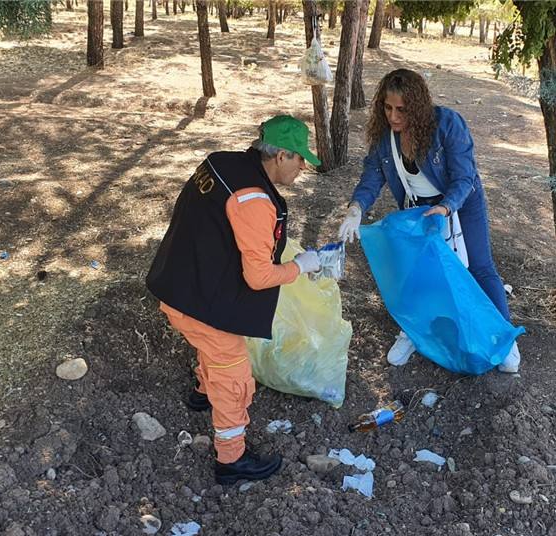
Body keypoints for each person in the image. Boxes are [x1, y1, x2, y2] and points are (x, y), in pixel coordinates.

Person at [146, 115, 322, 484]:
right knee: (234, 373)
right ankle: (231, 458)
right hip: (200, 303)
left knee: (211, 349)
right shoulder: (255, 200)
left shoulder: (220, 162)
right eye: (299, 159)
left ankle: (202, 394)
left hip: (177, 280)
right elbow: (258, 278)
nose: (302, 167)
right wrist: (300, 266)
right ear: (279, 156)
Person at [338, 68, 521, 372]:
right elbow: (372, 177)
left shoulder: (448, 124)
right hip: (419, 209)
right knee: (416, 272)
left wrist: (448, 207)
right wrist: (356, 208)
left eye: (401, 109)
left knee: (479, 266)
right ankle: (413, 331)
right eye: (387, 107)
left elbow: (465, 178)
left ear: (417, 106)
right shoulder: (386, 139)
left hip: (460, 203)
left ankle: (504, 339)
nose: (393, 116)